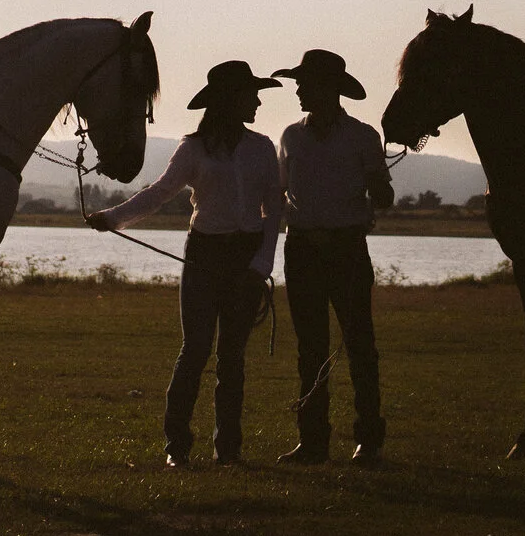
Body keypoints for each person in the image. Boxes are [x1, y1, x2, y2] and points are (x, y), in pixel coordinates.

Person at [89, 60, 282, 467]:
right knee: (194, 351)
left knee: (232, 356)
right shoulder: (193, 148)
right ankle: (177, 447)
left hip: (246, 257)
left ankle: (227, 449)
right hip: (204, 255)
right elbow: (160, 193)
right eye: (251, 95)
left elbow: (273, 209)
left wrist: (261, 264)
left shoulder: (262, 147)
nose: (258, 102)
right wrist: (112, 218)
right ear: (231, 101)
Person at [271, 49, 394, 466]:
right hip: (302, 249)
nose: (299, 91)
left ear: (327, 90)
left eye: (305, 85)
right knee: (311, 348)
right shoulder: (289, 137)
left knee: (360, 344)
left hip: (346, 248)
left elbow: (384, 197)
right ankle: (313, 441)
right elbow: (280, 194)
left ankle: (369, 440)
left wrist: (379, 185)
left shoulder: (363, 137)